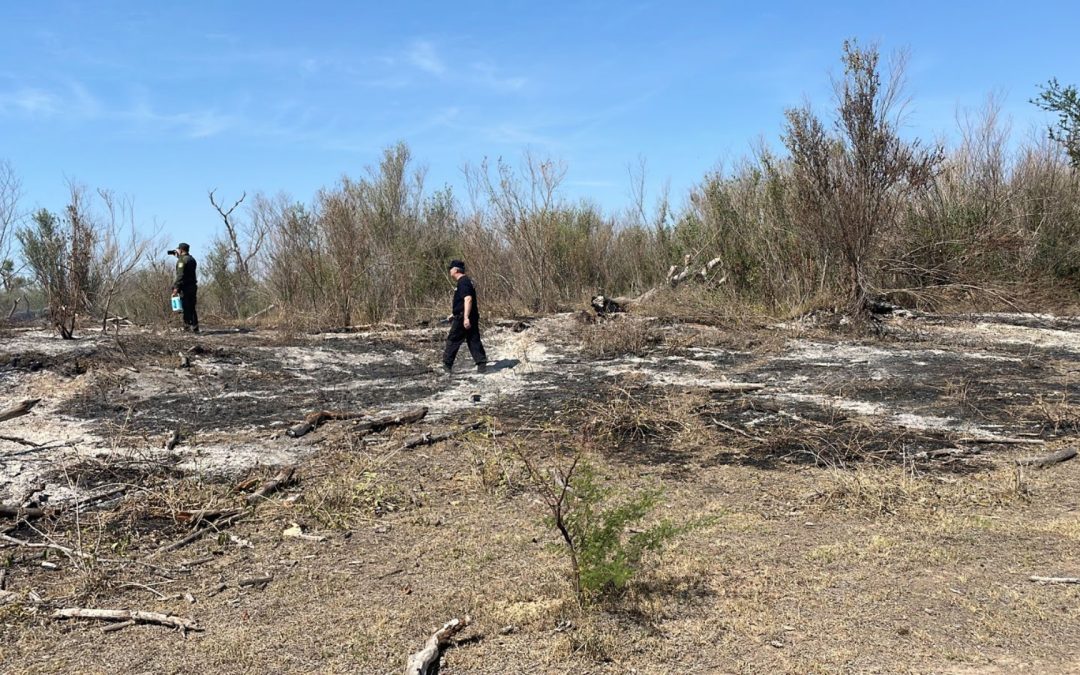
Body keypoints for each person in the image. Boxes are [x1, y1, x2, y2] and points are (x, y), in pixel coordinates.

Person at [443, 259, 487, 374]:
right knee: (473, 340)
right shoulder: (466, 282)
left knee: (453, 340)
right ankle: (481, 364)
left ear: (456, 270)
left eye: (450, 268)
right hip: (466, 315)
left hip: (464, 317)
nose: (449, 271)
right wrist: (454, 314)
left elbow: (468, 299)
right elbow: (463, 302)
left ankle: (447, 366)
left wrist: (465, 317)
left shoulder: (463, 282)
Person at [171, 243, 199, 333]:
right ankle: (195, 327)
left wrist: (176, 288)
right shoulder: (192, 259)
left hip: (185, 288)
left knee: (186, 307)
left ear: (181, 250)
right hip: (193, 287)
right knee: (192, 307)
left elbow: (180, 275)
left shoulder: (182, 260)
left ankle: (187, 327)